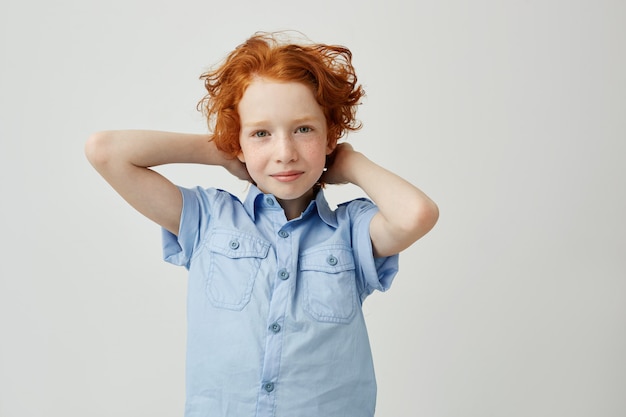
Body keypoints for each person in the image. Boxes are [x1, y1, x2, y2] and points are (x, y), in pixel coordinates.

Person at [85, 31, 438, 417]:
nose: (284, 153)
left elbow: (417, 214)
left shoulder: (351, 232)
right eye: (261, 134)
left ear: (329, 135)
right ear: (239, 141)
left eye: (304, 129)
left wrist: (351, 163)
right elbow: (105, 151)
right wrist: (221, 149)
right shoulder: (208, 219)